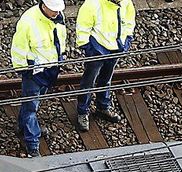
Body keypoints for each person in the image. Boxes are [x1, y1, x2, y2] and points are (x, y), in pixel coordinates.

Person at [11, 0, 68, 157]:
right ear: (43, 6)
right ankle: (32, 142)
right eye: (53, 10)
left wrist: (61, 56)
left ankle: (23, 127)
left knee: (32, 103)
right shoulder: (28, 22)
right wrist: (24, 70)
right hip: (34, 73)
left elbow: (60, 38)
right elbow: (18, 49)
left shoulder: (57, 16)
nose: (56, 12)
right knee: (31, 107)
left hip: (50, 70)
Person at [74, 0, 136, 131]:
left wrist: (125, 42)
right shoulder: (93, 3)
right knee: (88, 82)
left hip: (115, 48)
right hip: (98, 49)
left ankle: (103, 107)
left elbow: (129, 22)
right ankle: (82, 112)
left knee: (106, 79)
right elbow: (82, 27)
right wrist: (90, 48)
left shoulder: (126, 2)